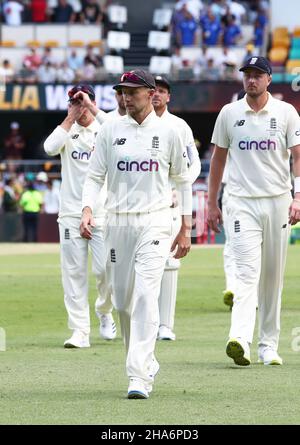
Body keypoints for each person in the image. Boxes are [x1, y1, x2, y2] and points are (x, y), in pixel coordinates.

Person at [80, 69, 192, 399]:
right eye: (122, 92)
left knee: (145, 294)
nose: (126, 98)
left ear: (149, 92)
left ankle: (138, 375)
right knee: (124, 300)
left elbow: (183, 181)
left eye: (132, 92)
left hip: (155, 221)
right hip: (116, 221)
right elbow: (93, 176)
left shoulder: (169, 132)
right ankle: (144, 359)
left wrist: (186, 227)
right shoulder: (110, 129)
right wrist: (87, 208)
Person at [207, 56, 300, 367]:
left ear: (269, 79)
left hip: (277, 201)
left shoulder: (286, 113)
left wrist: (297, 196)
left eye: (258, 75)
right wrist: (211, 203)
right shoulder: (229, 113)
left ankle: (268, 345)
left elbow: (298, 157)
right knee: (246, 273)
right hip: (241, 202)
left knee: (272, 278)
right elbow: (218, 160)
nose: (251, 80)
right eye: (247, 74)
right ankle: (240, 340)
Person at [44, 83, 116, 349]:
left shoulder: (105, 128)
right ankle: (80, 331)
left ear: (93, 102)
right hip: (71, 214)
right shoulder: (67, 130)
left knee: (106, 270)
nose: (79, 106)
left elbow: (120, 127)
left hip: (102, 213)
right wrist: (70, 117)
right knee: (73, 274)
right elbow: (49, 148)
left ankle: (104, 310)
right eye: (74, 101)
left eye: (82, 101)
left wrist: (92, 108)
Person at [152, 75, 201, 340]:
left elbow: (195, 163)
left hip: (171, 202)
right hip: (141, 203)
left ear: (168, 96)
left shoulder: (179, 126)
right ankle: (144, 321)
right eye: (154, 90)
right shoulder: (136, 123)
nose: (157, 95)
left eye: (162, 91)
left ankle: (165, 326)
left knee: (170, 262)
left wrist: (181, 183)